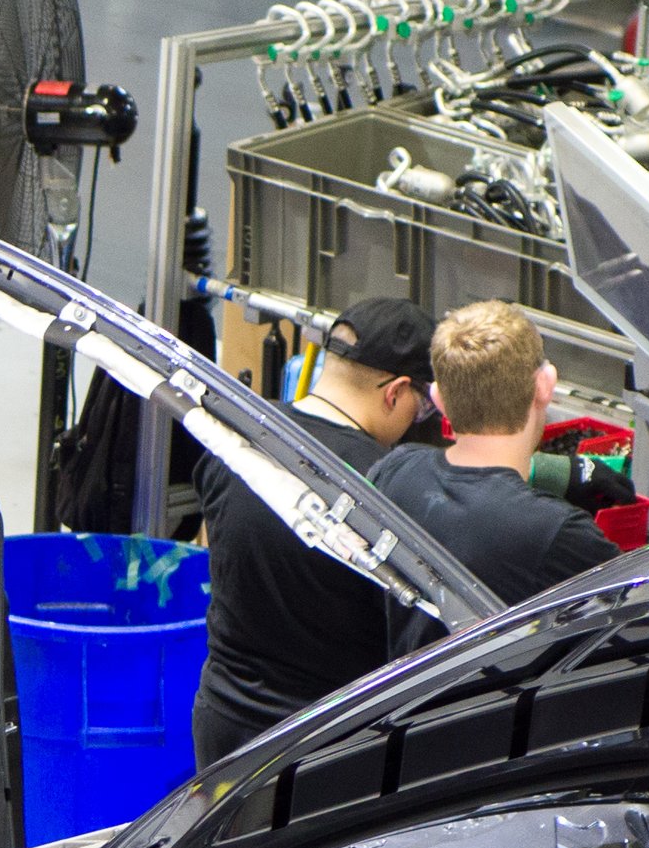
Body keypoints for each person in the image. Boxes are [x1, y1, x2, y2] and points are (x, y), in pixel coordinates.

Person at [189, 297, 437, 765]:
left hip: (222, 726)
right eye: (419, 409)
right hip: (323, 747)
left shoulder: (234, 437)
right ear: (395, 392)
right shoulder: (386, 485)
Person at [367, 299, 618, 656]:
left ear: (439, 399)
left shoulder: (394, 471)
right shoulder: (559, 533)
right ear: (545, 386)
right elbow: (644, 624)